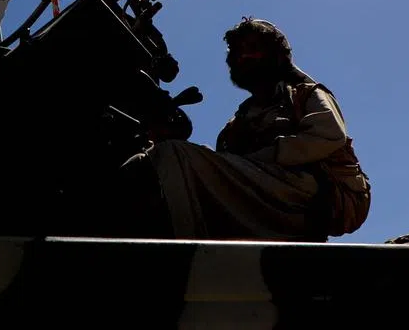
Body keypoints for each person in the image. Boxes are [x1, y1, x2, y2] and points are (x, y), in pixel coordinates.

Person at [119, 17, 370, 241]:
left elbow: (328, 135)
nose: (243, 57)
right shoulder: (239, 121)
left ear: (275, 56)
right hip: (265, 194)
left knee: (174, 155)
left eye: (253, 49)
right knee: (148, 161)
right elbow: (225, 168)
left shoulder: (305, 94)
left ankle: (188, 255)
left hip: (314, 196)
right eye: (237, 52)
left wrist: (262, 158)